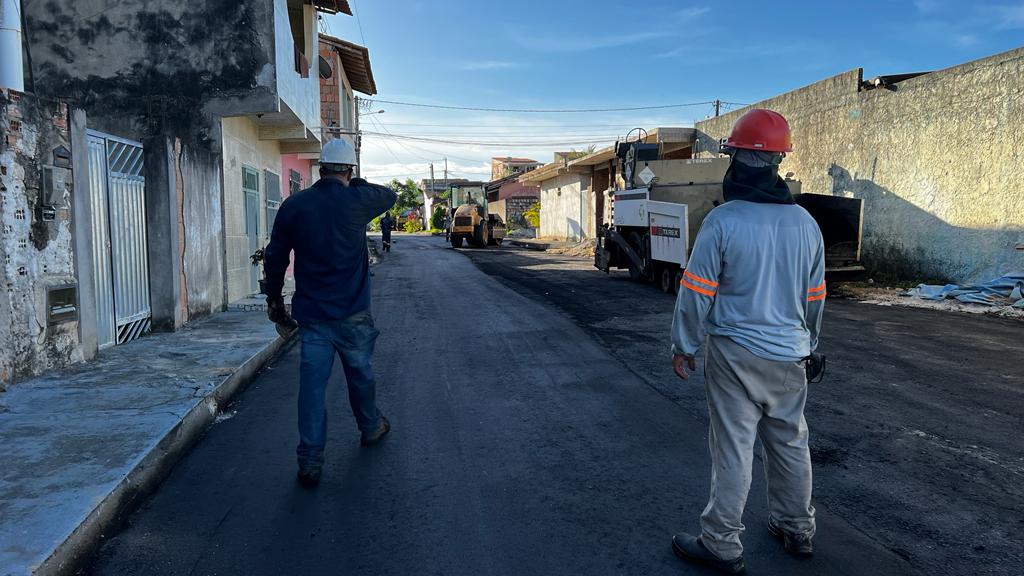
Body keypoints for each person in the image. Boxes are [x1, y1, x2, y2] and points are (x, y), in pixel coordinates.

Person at [668, 109, 826, 574]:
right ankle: (797, 528)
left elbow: (696, 291)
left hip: (735, 351)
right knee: (791, 442)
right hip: (790, 354)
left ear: (734, 158)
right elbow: (815, 296)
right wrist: (809, 343)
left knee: (734, 446)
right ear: (779, 161)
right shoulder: (806, 224)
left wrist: (684, 345)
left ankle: (720, 543)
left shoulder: (723, 221)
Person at [263, 138, 397, 488]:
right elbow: (389, 195)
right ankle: (370, 427)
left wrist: (274, 302)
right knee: (361, 375)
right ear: (349, 170)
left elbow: (275, 258)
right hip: (352, 314)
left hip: (313, 317)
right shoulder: (357, 200)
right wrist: (359, 184)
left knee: (311, 388)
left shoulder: (295, 205)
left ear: (320, 168)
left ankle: (309, 460)